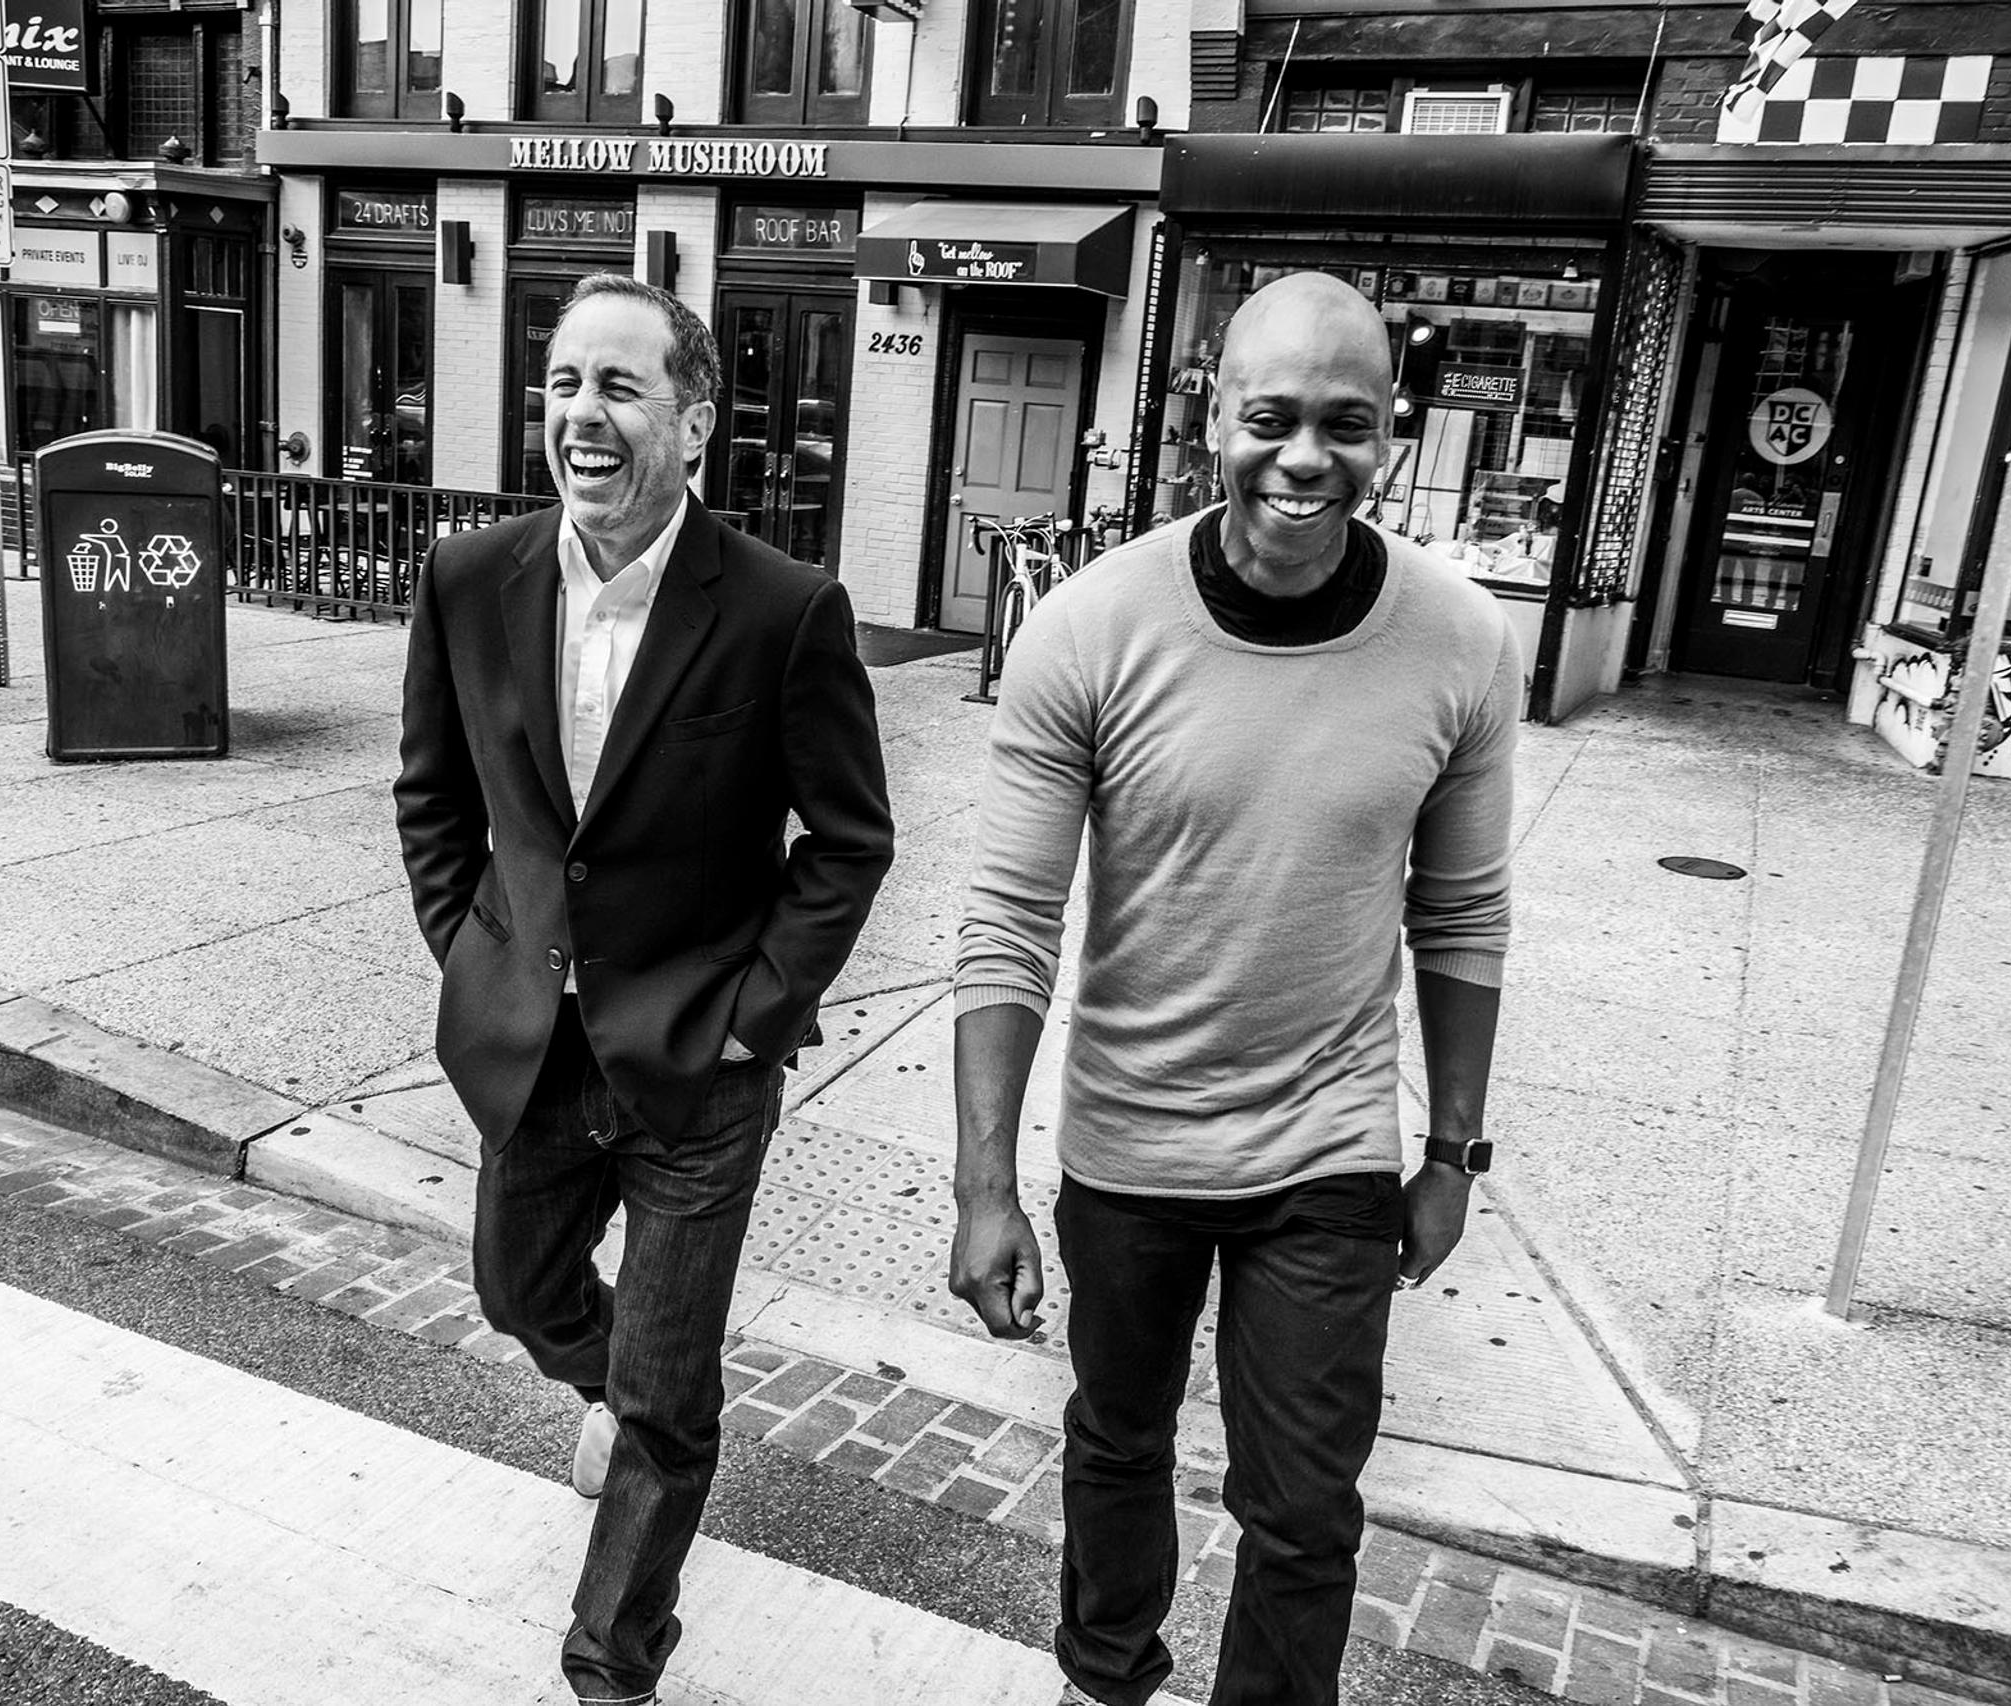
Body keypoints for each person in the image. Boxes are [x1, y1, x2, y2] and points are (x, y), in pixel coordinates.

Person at [949, 271, 1517, 1706]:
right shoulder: (1090, 627)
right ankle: (1105, 1675)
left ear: (1392, 430)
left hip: (1327, 1151)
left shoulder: (1459, 640)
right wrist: (982, 1183)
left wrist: (1452, 1148)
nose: (1306, 457)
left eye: (1348, 421)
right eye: (1271, 416)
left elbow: (1462, 913)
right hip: (1130, 1141)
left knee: (1307, 1510)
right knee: (1119, 1439)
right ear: (1214, 415)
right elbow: (1011, 919)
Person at [395, 271, 893, 1706]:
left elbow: (851, 840)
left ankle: (611, 1658)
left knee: (670, 1401)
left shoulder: (785, 611)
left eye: (619, 386)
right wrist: (475, 948)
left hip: (697, 1070)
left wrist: (756, 1017)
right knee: (514, 1286)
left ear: (693, 419)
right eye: (563, 384)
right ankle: (616, 1393)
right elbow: (432, 797)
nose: (582, 416)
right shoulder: (470, 577)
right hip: (531, 1052)